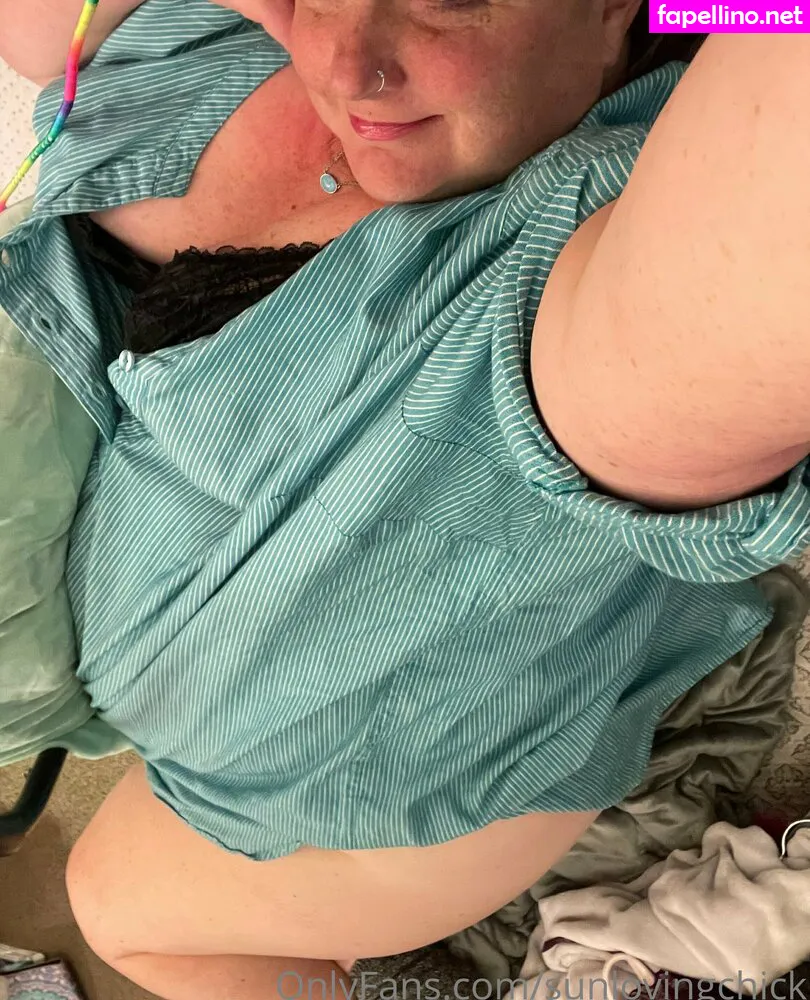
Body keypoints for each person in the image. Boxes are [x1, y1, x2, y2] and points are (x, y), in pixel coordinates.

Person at [0, 2, 809, 999]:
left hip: (392, 805)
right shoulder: (198, 35)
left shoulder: (573, 328)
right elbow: (34, 30)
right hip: (188, 748)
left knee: (123, 912)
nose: (346, 66)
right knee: (114, 906)